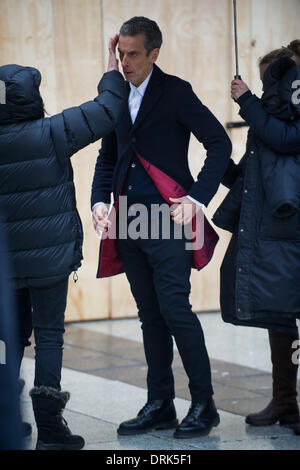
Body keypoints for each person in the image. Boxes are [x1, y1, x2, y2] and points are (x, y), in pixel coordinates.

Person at [91, 16, 232, 439]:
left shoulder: (175, 92)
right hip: (130, 218)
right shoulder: (115, 94)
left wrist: (196, 200)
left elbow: (220, 144)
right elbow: (108, 155)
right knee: (149, 315)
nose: (126, 61)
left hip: (169, 219)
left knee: (175, 311)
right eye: (121, 53)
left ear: (154, 53)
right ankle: (161, 404)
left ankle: (204, 405)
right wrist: (99, 200)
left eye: (133, 54)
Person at [0, 37, 126, 450]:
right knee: (49, 335)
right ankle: (51, 431)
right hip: (51, 257)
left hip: (7, 262)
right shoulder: (53, 131)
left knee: (11, 336)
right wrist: (111, 67)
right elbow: (108, 110)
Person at [213, 40, 300, 436]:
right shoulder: (274, 116)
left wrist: (246, 101)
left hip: (289, 231)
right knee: (279, 316)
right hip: (274, 234)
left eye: (271, 84)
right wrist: (220, 168)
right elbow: (256, 175)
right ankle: (285, 403)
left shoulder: (284, 118)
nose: (269, 93)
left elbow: (286, 140)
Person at [0, 208, 22, 450]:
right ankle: (50, 425)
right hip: (51, 250)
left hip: (17, 250)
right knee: (49, 333)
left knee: (16, 336)